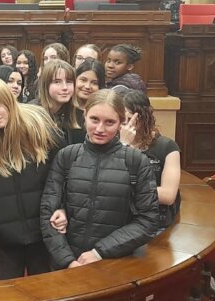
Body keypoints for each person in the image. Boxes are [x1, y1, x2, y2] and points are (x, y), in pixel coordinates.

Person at [40, 89, 160, 269]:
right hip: (66, 263)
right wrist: (67, 260)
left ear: (121, 123)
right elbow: (47, 212)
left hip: (113, 262)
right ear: (85, 116)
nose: (100, 129)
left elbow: (148, 220)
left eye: (109, 122)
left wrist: (99, 252)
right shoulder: (67, 156)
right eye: (94, 119)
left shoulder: (135, 161)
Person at [0, 79, 67, 280]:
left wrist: (62, 207)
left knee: (46, 290)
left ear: (9, 100)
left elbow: (63, 174)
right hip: (3, 237)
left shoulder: (41, 127)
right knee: (9, 292)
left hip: (45, 231)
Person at [121, 90, 181, 232]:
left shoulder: (167, 147)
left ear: (143, 117)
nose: (123, 126)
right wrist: (123, 145)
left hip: (155, 218)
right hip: (122, 216)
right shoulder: (116, 143)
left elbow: (168, 195)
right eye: (119, 120)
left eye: (128, 119)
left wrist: (128, 190)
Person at [36, 60, 84, 146]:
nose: (65, 87)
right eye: (57, 82)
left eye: (69, 82)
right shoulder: (34, 115)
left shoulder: (72, 113)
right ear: (45, 85)